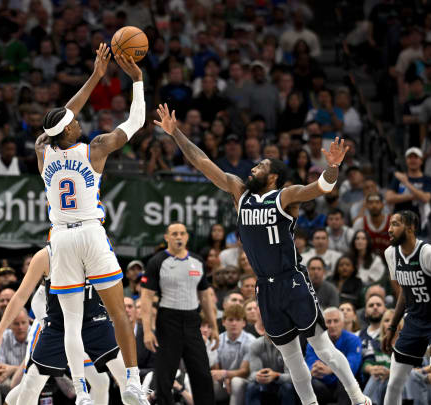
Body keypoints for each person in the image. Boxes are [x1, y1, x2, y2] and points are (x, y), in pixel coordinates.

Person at [154, 102, 370, 405]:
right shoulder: (239, 192)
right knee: (291, 358)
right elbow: (202, 162)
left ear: (273, 176)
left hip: (292, 281)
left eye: (261, 166)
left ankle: (359, 399)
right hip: (265, 286)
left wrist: (333, 166)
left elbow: (322, 187)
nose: (253, 168)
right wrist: (176, 133)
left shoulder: (285, 195)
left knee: (322, 348)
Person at [17, 44, 148, 405]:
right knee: (118, 310)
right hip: (90, 233)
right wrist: (136, 80)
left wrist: (95, 76)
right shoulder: (95, 148)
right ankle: (133, 381)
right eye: (74, 122)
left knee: (71, 323)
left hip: (60, 240)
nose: (79, 120)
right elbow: (135, 123)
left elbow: (58, 119)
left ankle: (82, 392)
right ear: (69, 131)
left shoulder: (43, 151)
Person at [0, 246, 130, 405]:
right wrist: (50, 328)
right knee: (31, 384)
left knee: (101, 381)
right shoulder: (55, 256)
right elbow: (37, 300)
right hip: (51, 328)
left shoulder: (95, 255)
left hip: (80, 329)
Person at [381, 211, 431, 405]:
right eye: (390, 224)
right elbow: (404, 295)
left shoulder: (429, 253)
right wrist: (391, 328)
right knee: (393, 384)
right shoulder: (390, 253)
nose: (389, 229)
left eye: (395, 224)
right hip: (413, 321)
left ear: (410, 228)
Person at [140, 222, 218, 405]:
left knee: (202, 373)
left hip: (192, 321)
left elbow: (205, 296)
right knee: (164, 375)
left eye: (182, 233)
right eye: (174, 234)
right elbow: (145, 298)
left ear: (187, 237)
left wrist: (214, 326)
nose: (178, 237)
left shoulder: (197, 261)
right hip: (168, 321)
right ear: (166, 237)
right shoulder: (157, 262)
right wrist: (147, 331)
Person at [305, 307, 363, 405]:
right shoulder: (313, 342)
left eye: (336, 321)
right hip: (322, 384)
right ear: (323, 324)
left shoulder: (353, 340)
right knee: (310, 384)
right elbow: (311, 365)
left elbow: (352, 367)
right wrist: (314, 369)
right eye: (328, 321)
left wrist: (330, 369)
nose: (332, 325)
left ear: (343, 323)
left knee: (345, 381)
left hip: (342, 385)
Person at [0, 309, 29, 405]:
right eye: (16, 324)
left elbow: (39, 368)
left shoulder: (36, 334)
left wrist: (12, 369)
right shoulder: (4, 337)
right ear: (10, 325)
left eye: (23, 323)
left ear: (29, 321)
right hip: (10, 381)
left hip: (31, 382)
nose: (20, 327)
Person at [211, 304, 254, 405]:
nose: (234, 323)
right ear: (223, 322)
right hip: (223, 381)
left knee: (236, 382)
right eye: (230, 320)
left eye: (238, 320)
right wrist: (224, 378)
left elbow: (245, 371)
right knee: (209, 380)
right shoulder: (217, 341)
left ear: (244, 323)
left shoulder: (251, 341)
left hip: (244, 381)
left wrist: (226, 374)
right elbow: (216, 370)